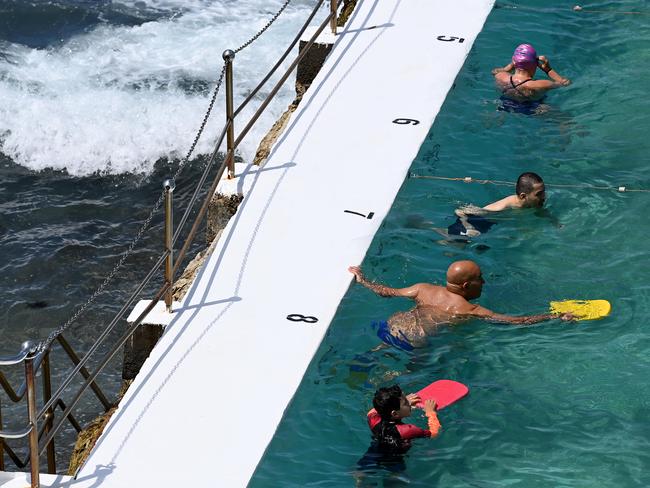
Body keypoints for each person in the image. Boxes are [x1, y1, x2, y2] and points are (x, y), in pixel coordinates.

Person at [348, 260, 573, 350]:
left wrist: (363, 279)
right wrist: (555, 317)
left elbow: (387, 292)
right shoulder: (468, 309)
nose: (484, 283)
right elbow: (518, 322)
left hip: (389, 326)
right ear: (466, 285)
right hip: (414, 343)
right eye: (480, 279)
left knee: (376, 352)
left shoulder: (422, 288)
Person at [356, 385, 439, 473]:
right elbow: (434, 433)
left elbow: (373, 410)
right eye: (405, 403)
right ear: (395, 414)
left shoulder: (373, 420)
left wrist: (399, 403)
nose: (409, 403)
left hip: (373, 454)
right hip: (395, 461)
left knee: (361, 473)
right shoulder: (408, 430)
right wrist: (431, 413)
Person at [450, 172, 546, 237]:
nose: (544, 196)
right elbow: (460, 211)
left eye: (543, 191)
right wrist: (468, 226)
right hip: (475, 223)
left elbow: (539, 211)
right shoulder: (500, 208)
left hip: (488, 226)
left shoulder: (531, 202)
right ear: (523, 196)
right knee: (452, 249)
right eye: (539, 194)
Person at [492, 44, 570, 110]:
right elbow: (564, 83)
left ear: (513, 61)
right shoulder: (539, 85)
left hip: (505, 104)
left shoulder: (500, 76)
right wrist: (548, 70)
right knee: (563, 118)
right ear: (535, 64)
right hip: (532, 108)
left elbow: (494, 71)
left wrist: (507, 68)